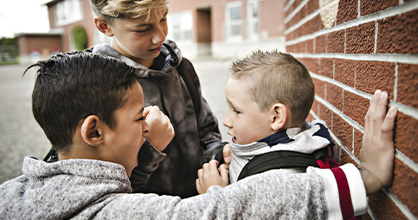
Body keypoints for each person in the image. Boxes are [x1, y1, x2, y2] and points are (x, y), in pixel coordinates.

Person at [0, 52, 397, 219]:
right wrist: (366, 179)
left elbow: (98, 191)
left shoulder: (15, 194)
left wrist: (150, 150)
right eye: (140, 116)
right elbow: (222, 213)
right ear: (94, 129)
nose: (149, 121)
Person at [196, 50, 398, 218]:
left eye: (236, 111)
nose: (226, 121)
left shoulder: (281, 178)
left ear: (276, 117)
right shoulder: (286, 138)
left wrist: (216, 199)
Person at [79, 0, 228, 198]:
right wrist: (151, 149)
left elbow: (207, 132)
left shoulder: (182, 68)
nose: (160, 36)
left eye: (163, 18)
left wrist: (219, 155)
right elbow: (99, 184)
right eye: (142, 29)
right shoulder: (91, 84)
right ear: (104, 26)